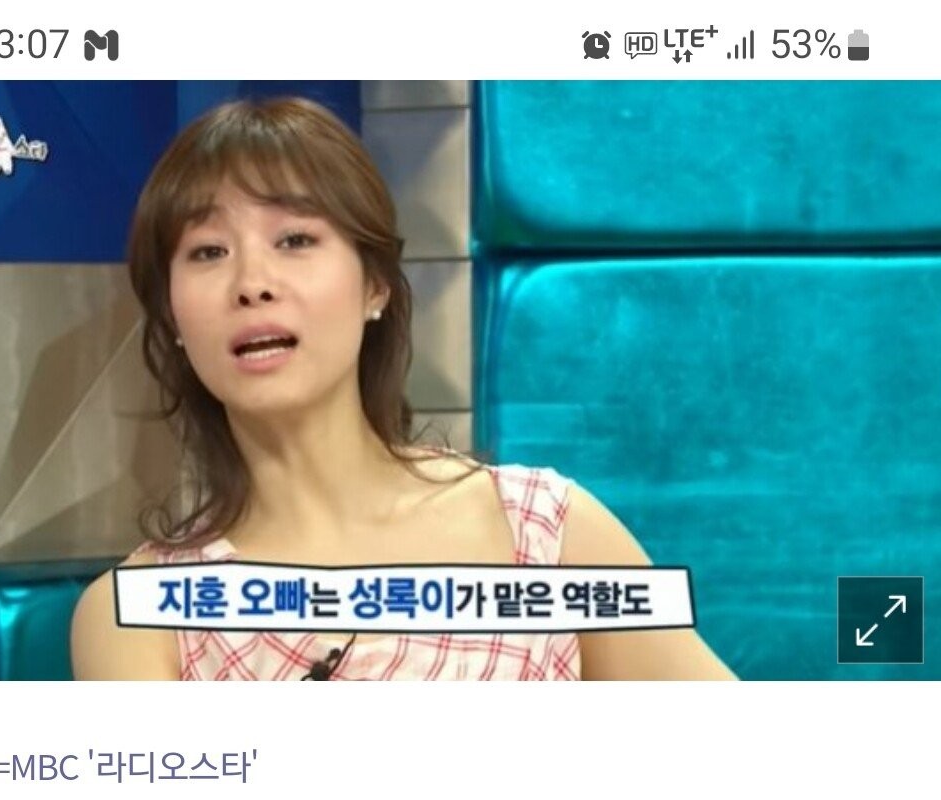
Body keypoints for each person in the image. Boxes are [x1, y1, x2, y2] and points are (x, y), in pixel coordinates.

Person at [71, 96, 736, 681]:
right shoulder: (137, 617)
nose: (252, 283)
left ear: (375, 286)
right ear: (173, 318)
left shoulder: (545, 534)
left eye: (295, 239)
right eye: (208, 252)